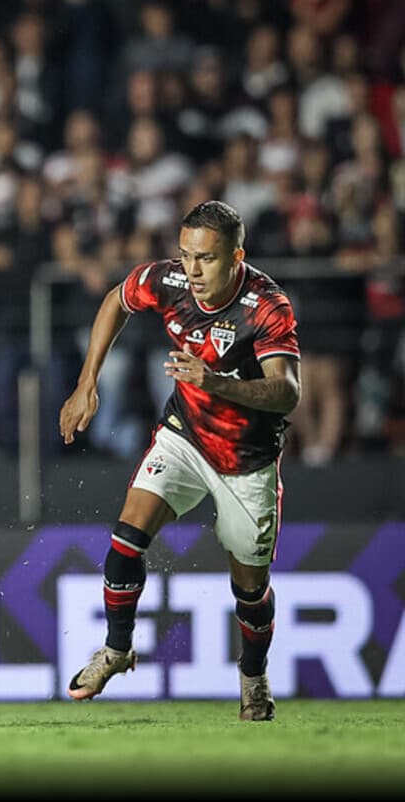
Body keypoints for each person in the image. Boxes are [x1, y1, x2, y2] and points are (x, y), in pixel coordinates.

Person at [59, 200, 301, 721]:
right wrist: (86, 383)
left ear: (236, 257)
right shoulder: (168, 281)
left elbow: (287, 392)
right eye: (186, 255)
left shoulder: (266, 306)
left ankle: (253, 677)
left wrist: (213, 382)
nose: (192, 269)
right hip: (185, 438)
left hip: (246, 461)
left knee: (250, 589)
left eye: (206, 258)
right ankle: (117, 649)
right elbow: (116, 300)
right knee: (127, 536)